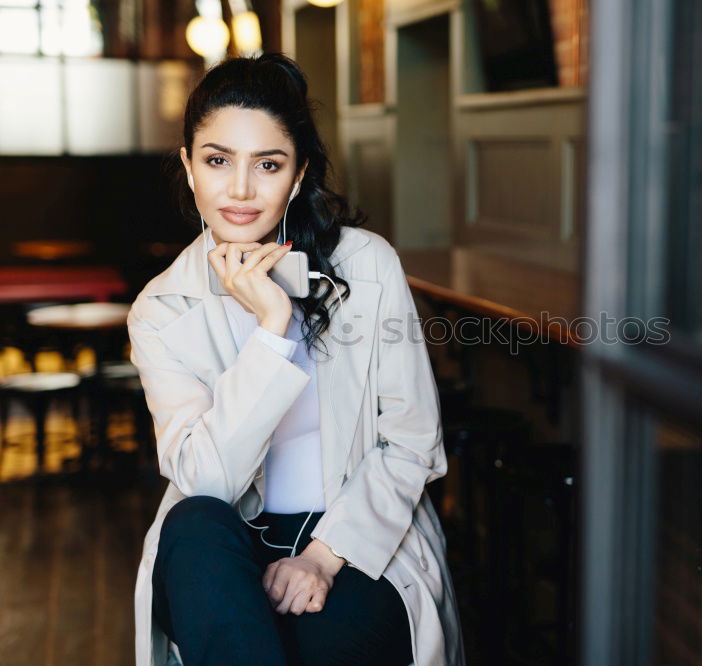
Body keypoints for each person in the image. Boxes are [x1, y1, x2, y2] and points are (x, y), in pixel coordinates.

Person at [127, 53, 465, 666]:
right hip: (225, 550)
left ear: (299, 173)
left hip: (358, 537)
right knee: (194, 523)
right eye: (217, 160)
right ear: (189, 165)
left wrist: (320, 557)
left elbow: (413, 443)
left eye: (268, 164)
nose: (239, 190)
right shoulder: (161, 308)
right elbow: (204, 481)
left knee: (305, 644)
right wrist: (274, 331)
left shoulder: (367, 266)